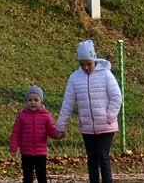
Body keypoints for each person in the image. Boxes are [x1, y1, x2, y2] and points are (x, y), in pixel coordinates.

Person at [56, 40, 121, 183]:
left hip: (106, 126)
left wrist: (109, 117)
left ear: (94, 59)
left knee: (102, 156)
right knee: (91, 158)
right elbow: (68, 103)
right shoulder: (74, 78)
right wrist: (60, 126)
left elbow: (116, 97)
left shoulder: (106, 75)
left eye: (88, 64)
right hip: (87, 127)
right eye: (82, 64)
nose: (85, 67)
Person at [11, 85, 63, 183]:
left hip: (41, 152)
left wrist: (58, 134)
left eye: (36, 100)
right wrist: (14, 146)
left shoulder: (46, 116)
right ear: (26, 102)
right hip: (26, 152)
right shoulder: (22, 116)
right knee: (27, 176)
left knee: (42, 175)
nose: (32, 102)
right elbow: (16, 132)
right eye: (29, 100)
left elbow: (51, 130)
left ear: (41, 101)